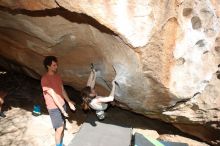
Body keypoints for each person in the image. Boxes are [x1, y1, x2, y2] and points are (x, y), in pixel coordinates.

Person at [41, 56, 76, 146]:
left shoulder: (57, 76)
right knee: (59, 129)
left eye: (56, 65)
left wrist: (68, 102)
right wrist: (63, 110)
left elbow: (62, 90)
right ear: (48, 66)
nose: (56, 67)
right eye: (54, 65)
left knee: (62, 126)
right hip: (54, 108)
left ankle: (60, 143)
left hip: (62, 104)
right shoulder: (45, 79)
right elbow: (53, 96)